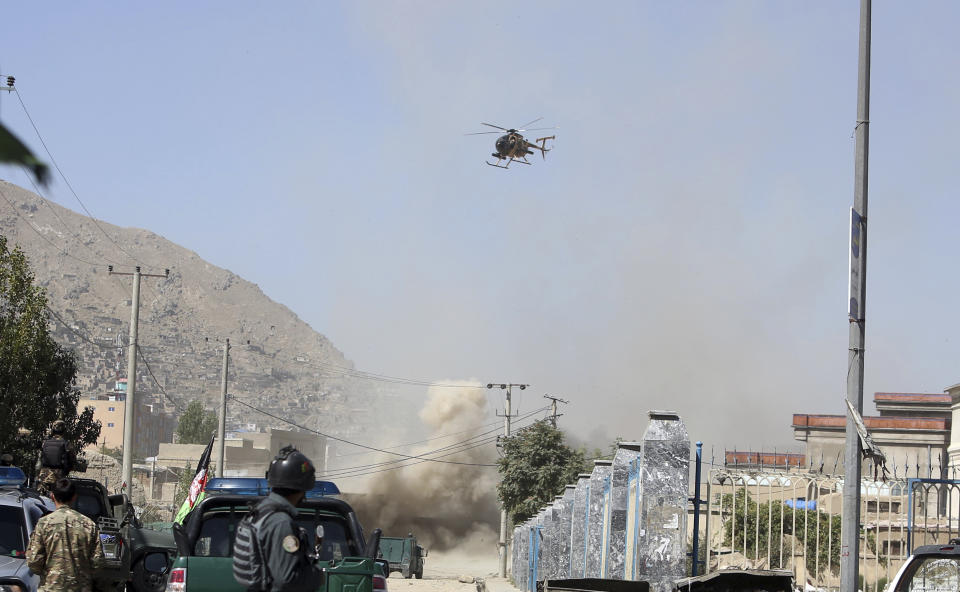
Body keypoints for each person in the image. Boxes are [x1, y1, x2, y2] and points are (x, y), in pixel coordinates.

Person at [233, 445, 323, 591]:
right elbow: (287, 579)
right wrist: (317, 575)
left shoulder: (261, 511)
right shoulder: (281, 523)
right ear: (299, 488)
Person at [26, 478, 105, 592]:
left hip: (51, 588)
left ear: (52, 496)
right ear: (74, 497)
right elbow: (98, 562)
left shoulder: (44, 523)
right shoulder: (89, 525)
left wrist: (49, 573)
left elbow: (33, 560)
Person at [37, 421, 75, 497]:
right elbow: (72, 460)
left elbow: (40, 459)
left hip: (44, 475)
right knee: (58, 498)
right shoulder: (66, 444)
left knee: (41, 498)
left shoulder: (45, 443)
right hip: (58, 476)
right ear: (64, 431)